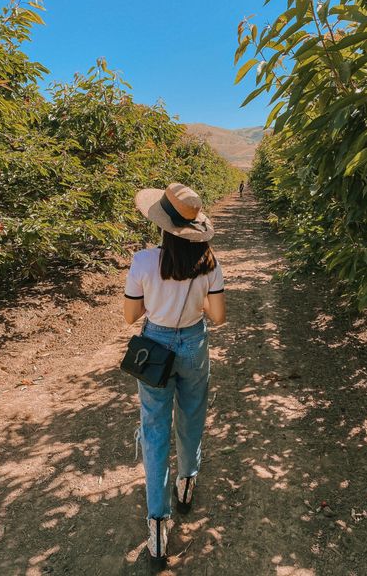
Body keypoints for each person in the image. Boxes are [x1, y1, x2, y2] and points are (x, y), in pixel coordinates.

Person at [123, 182, 226, 569]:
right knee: (192, 414)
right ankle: (187, 481)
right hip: (194, 345)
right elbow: (218, 317)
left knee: (154, 428)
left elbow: (132, 316)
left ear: (162, 225)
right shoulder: (209, 262)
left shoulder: (144, 261)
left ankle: (157, 524)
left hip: (156, 347)